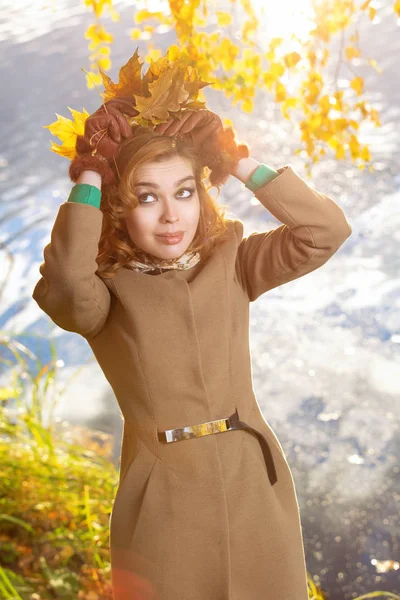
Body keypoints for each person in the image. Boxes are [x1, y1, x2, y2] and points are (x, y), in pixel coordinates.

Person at [32, 92, 352, 600]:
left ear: (202, 194)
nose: (170, 217)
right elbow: (66, 285)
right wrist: (90, 175)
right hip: (162, 499)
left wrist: (236, 158)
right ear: (120, 205)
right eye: (146, 197)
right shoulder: (103, 292)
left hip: (254, 484)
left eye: (183, 192)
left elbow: (324, 231)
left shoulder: (235, 263)